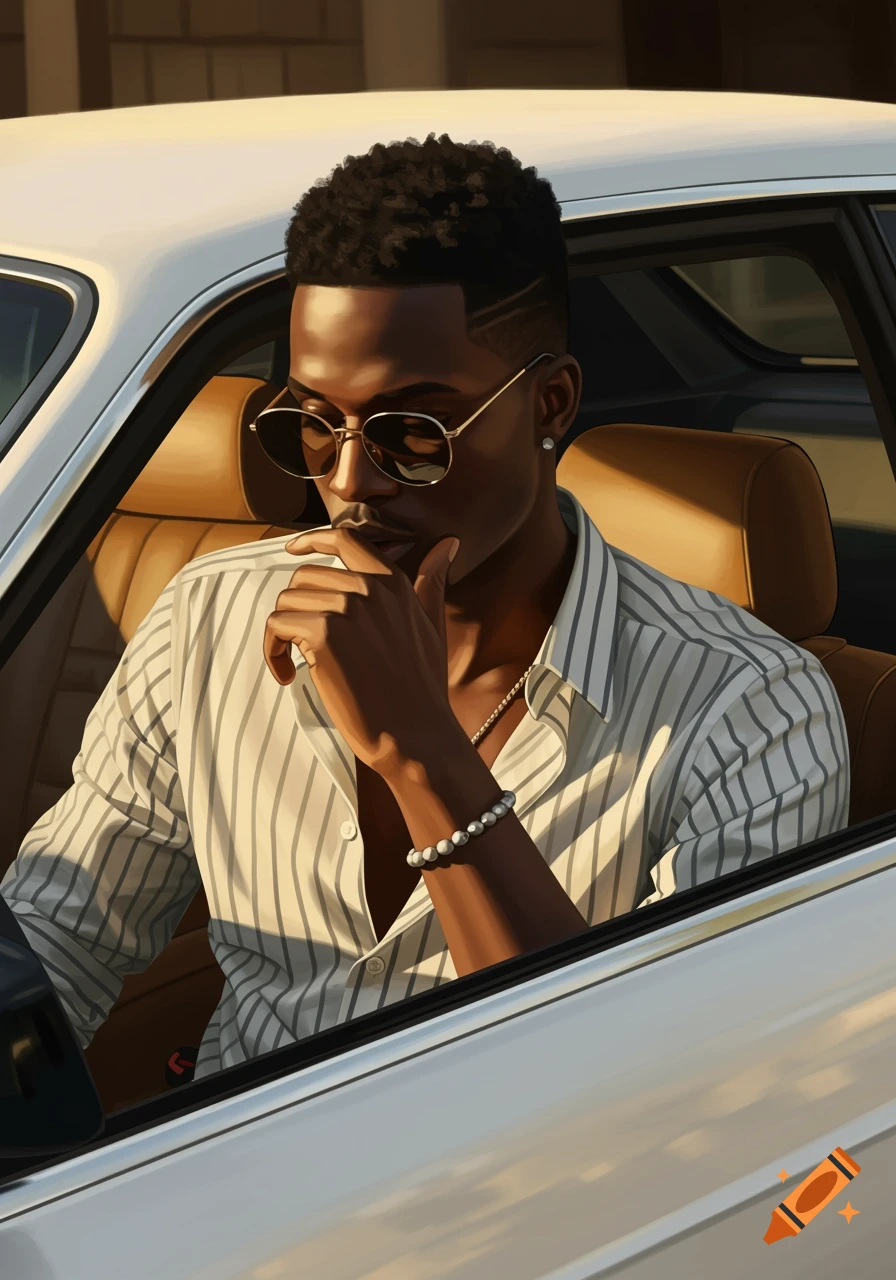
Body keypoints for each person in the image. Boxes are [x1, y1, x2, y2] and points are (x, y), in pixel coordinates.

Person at [0, 135, 849, 1079]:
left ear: (550, 404)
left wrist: (423, 753)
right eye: (312, 427)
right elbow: (61, 936)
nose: (352, 481)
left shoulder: (753, 708)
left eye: (415, 430)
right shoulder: (209, 620)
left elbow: (659, 1085)